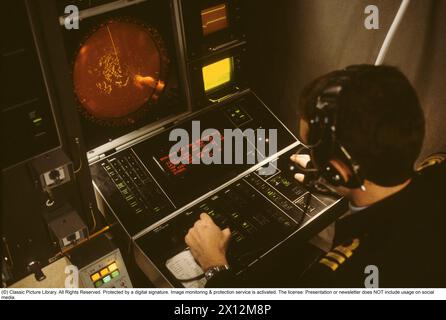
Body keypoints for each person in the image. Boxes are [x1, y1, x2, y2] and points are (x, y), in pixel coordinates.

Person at [185, 65, 446, 288]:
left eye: (311, 147)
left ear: (338, 171)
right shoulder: (437, 166)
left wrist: (214, 266)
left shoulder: (337, 278)